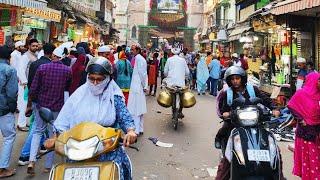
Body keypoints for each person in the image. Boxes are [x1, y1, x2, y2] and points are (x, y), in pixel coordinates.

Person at [51, 57, 137, 180]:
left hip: (106, 149)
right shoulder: (79, 95)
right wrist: (55, 137)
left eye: (99, 80)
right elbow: (63, 120)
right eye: (91, 79)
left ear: (108, 79)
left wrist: (130, 131)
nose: (95, 83)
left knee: (121, 170)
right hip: (78, 150)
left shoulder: (114, 96)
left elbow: (124, 116)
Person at [215, 66, 281, 180]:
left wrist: (274, 109)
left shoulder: (253, 89)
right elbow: (223, 108)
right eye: (232, 79)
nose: (235, 81)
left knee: (274, 150)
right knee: (227, 154)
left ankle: (279, 176)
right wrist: (226, 113)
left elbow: (266, 100)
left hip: (256, 123)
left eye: (237, 78)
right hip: (235, 124)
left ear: (242, 79)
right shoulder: (228, 93)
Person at [26, 47, 72, 175]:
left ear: (53, 55)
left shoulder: (42, 68)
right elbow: (67, 90)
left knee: (37, 132)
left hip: (42, 106)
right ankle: (48, 166)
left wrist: (30, 105)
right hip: (57, 108)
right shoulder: (67, 71)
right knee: (54, 135)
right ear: (63, 57)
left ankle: (31, 161)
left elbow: (33, 89)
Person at [18, 43, 56, 166]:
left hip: (34, 99)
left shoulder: (34, 63)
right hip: (43, 101)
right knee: (37, 128)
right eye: (33, 45)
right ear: (52, 53)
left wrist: (30, 102)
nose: (35, 47)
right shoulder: (49, 66)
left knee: (39, 127)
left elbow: (31, 85)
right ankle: (25, 156)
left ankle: (41, 147)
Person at [287, 72, 320, 180]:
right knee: (309, 158)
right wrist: (301, 120)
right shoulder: (301, 93)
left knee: (316, 158)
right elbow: (291, 105)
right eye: (319, 80)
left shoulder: (318, 95)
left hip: (316, 130)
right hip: (305, 132)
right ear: (313, 81)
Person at [0, 46, 18, 178]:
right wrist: (12, 108)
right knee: (9, 137)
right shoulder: (10, 70)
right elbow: (12, 92)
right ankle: (2, 168)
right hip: (4, 108)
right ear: (8, 57)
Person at [16, 39, 39, 132]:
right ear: (29, 46)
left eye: (36, 46)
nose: (35, 47)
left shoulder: (35, 55)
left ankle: (24, 122)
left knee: (28, 104)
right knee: (23, 104)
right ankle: (21, 124)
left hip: (31, 84)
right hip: (25, 85)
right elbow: (20, 70)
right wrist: (25, 82)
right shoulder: (25, 56)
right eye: (33, 46)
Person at [164, 46, 190, 118]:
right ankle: (180, 111)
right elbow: (187, 72)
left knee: (170, 95)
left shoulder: (169, 60)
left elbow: (165, 72)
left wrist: (167, 76)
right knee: (182, 96)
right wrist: (185, 77)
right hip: (181, 84)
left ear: (172, 53)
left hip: (171, 84)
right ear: (179, 53)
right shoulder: (183, 60)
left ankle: (173, 108)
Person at [127, 43, 148, 135]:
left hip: (138, 86)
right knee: (138, 108)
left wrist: (144, 86)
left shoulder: (140, 59)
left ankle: (137, 130)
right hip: (136, 85)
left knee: (136, 109)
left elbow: (143, 74)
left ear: (138, 50)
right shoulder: (137, 58)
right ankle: (139, 128)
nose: (131, 51)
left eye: (133, 49)